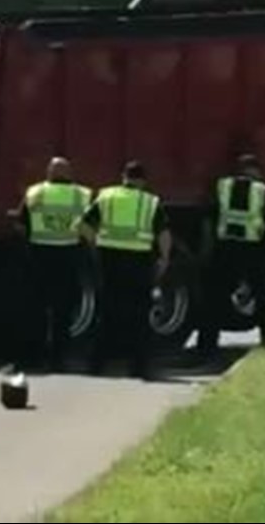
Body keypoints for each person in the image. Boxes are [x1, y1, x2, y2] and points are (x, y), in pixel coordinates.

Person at [79, 160, 172, 380]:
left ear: (124, 177)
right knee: (139, 316)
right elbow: (163, 233)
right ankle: (139, 367)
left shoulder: (106, 197)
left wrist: (97, 244)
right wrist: (165, 258)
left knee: (108, 313)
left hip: (110, 260)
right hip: (139, 263)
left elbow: (83, 226)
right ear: (142, 181)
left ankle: (96, 363)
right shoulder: (150, 202)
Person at [196, 153, 265, 360]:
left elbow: (208, 221)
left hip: (225, 250)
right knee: (263, 301)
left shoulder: (222, 187)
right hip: (254, 252)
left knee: (213, 299)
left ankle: (206, 348)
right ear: (256, 171)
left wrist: (206, 251)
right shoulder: (262, 192)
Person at [16, 157, 92, 372]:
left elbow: (21, 225)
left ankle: (34, 356)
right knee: (63, 311)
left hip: (39, 257)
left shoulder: (35, 193)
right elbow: (89, 228)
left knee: (36, 310)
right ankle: (59, 358)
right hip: (68, 257)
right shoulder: (81, 195)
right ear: (69, 173)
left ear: (49, 172)